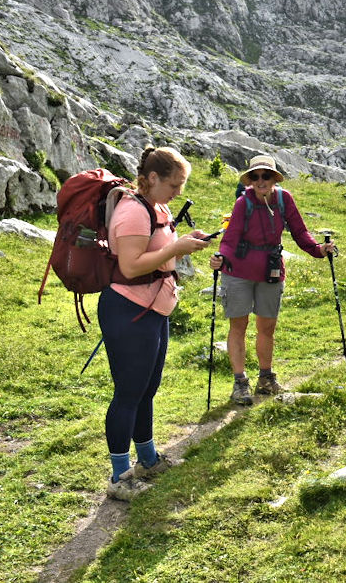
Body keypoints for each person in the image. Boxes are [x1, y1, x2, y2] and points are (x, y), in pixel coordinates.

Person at [100, 146, 213, 501]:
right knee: (128, 393)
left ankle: (147, 458)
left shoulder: (157, 207)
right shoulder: (133, 211)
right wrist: (175, 249)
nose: (179, 192)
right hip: (129, 310)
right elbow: (132, 266)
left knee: (147, 389)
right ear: (151, 179)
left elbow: (159, 252)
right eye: (174, 184)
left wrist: (184, 244)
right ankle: (120, 476)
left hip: (154, 309)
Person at [209, 155, 336, 405]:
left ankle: (266, 380)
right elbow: (230, 238)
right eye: (255, 176)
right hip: (237, 272)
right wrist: (220, 259)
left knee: (267, 327)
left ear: (274, 178)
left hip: (271, 270)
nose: (260, 181)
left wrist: (319, 250)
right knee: (239, 326)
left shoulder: (283, 199)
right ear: (250, 180)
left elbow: (300, 232)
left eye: (265, 175)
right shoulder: (243, 202)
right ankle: (240, 383)